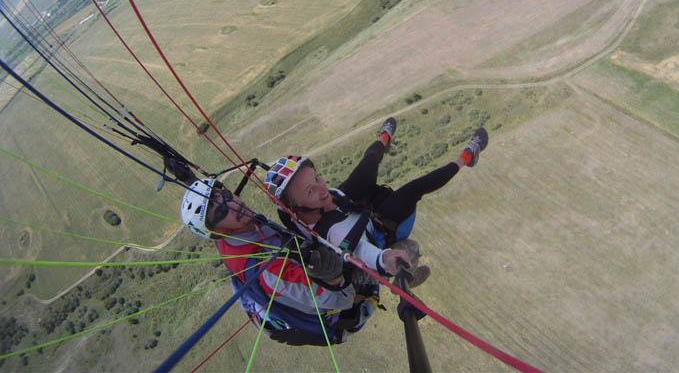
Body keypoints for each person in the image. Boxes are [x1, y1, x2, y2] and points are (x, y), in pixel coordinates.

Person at [265, 118, 489, 287]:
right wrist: (385, 259)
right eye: (311, 190)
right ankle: (468, 156)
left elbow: (325, 193)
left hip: (345, 204)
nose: (322, 186)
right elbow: (361, 249)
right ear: (295, 209)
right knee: (415, 188)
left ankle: (384, 138)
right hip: (380, 228)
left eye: (317, 177)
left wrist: (320, 194)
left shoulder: (316, 202)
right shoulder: (335, 233)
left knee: (369, 161)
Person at [180, 178, 378, 345]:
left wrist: (186, 176)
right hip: (335, 315)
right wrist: (334, 277)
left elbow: (206, 210)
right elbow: (342, 300)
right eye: (221, 212)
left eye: (223, 195)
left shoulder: (234, 230)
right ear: (219, 232)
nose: (232, 205)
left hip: (281, 281)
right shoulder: (269, 272)